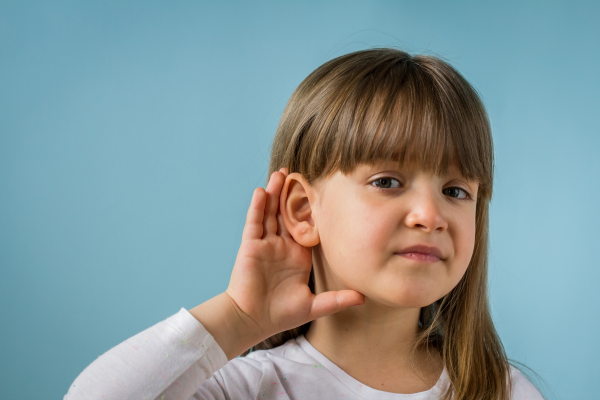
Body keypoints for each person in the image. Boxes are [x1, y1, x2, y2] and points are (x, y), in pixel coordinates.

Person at [65, 48, 544, 400]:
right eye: (387, 181)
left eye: (456, 191)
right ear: (302, 210)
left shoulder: (503, 392)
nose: (430, 215)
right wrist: (239, 319)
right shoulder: (248, 388)